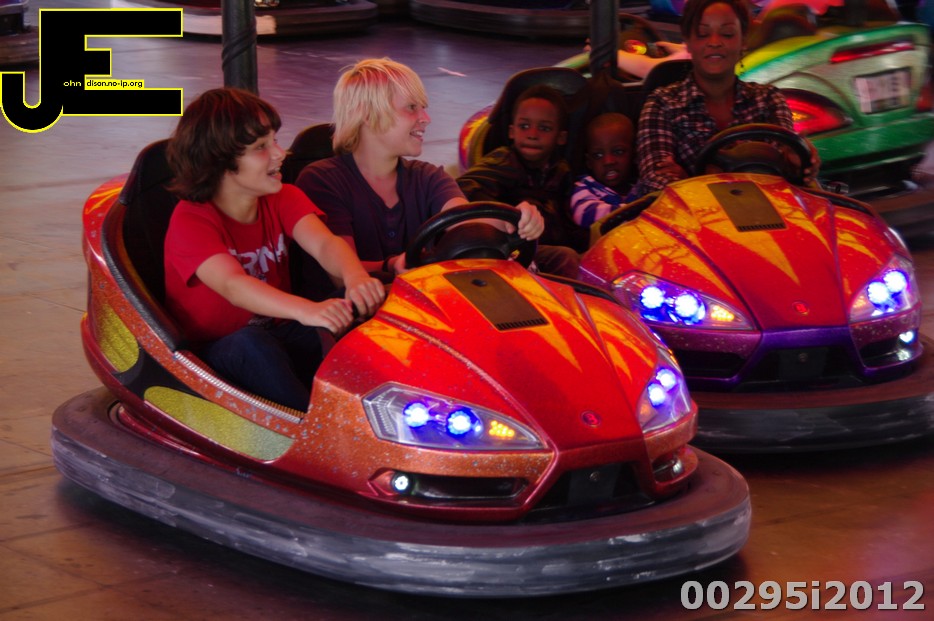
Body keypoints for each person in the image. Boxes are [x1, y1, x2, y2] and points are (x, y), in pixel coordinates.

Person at [163, 88, 385, 412]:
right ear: (219, 161)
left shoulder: (282, 197)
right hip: (213, 355)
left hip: (280, 333)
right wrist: (306, 310)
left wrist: (355, 278)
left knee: (359, 308)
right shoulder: (191, 220)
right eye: (261, 147)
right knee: (251, 344)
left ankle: (384, 409)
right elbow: (233, 286)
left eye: (275, 141)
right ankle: (312, 431)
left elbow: (325, 244)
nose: (280, 154)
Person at [295, 58, 544, 279]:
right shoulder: (323, 181)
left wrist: (515, 219)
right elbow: (340, 274)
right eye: (412, 108)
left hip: (423, 304)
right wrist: (391, 266)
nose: (426, 118)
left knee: (555, 259)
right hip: (351, 312)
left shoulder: (428, 177)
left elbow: (464, 220)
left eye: (423, 108)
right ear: (368, 115)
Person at [636, 0, 819, 194]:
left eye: (727, 34)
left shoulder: (768, 100)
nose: (714, 42)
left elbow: (787, 166)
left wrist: (799, 162)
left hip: (770, 209)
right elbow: (656, 180)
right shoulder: (663, 104)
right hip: (693, 213)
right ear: (688, 42)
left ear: (743, 40)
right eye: (703, 34)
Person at [456, 84, 586, 275]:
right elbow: (462, 187)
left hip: (539, 249)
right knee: (565, 257)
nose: (532, 135)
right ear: (512, 131)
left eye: (544, 128)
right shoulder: (504, 161)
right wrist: (507, 216)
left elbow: (567, 224)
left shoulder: (561, 170)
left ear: (561, 137)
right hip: (508, 251)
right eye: (524, 127)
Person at [571, 112, 641, 228]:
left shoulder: (641, 186)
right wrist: (641, 212)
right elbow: (584, 216)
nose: (608, 161)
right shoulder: (585, 188)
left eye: (618, 152)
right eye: (598, 155)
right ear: (589, 162)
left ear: (634, 155)